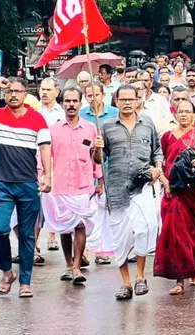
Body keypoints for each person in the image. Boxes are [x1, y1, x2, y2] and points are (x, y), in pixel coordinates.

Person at [93, 84, 164, 300]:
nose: (126, 103)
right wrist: (98, 147)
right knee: (121, 238)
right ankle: (125, 282)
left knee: (145, 228)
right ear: (115, 101)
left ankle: (141, 276)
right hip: (116, 189)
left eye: (130, 99)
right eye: (122, 99)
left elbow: (157, 151)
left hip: (142, 185)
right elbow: (99, 159)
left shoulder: (147, 124)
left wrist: (158, 168)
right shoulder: (106, 126)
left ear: (137, 101)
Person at [0, 77, 53, 298]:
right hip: (3, 184)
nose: (13, 94)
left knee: (27, 235)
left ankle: (25, 282)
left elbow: (45, 149)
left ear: (26, 94)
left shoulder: (37, 119)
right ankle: (7, 273)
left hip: (27, 183)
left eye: (18, 91)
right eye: (9, 91)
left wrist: (47, 176)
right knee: (0, 230)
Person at [41, 87, 102, 285]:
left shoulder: (91, 128)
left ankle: (77, 267)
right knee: (65, 227)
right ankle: (68, 265)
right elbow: (44, 157)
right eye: (67, 101)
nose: (71, 105)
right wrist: (44, 178)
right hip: (60, 185)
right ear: (62, 104)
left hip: (83, 185)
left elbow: (97, 160)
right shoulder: (53, 129)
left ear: (81, 103)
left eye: (75, 101)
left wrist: (99, 180)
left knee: (80, 225)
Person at [153, 100, 195, 295]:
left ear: (194, 115)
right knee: (175, 233)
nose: (184, 115)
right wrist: (165, 182)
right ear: (175, 114)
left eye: (188, 112)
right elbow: (162, 161)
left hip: (192, 191)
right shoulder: (167, 136)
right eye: (180, 112)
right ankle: (180, 278)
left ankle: (194, 267)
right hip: (172, 191)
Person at [80, 84, 119, 265]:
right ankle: (86, 250)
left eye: (96, 94)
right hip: (88, 169)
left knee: (108, 212)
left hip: (113, 167)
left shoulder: (114, 113)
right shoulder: (81, 115)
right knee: (91, 212)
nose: (93, 98)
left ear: (103, 95)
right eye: (89, 95)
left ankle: (103, 249)